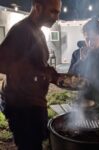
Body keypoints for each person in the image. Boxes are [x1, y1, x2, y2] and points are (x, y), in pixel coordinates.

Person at [0, 0, 62, 149]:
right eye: (53, 11)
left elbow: (39, 64)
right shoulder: (21, 30)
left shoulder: (38, 31)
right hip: (22, 107)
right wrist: (37, 73)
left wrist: (55, 76)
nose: (56, 17)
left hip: (34, 103)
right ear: (38, 7)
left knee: (37, 142)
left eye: (58, 13)